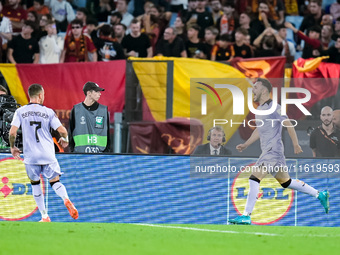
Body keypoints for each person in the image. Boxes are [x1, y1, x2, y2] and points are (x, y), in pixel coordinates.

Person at [229, 78, 329, 225]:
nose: (253, 90)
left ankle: (246, 215)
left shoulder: (274, 107)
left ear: (264, 90)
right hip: (273, 152)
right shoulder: (260, 109)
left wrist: (296, 144)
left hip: (272, 151)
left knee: (254, 178)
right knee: (286, 182)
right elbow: (259, 130)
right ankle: (319, 194)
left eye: (255, 87)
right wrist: (246, 144)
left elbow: (289, 124)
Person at [9, 83, 78, 222]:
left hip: (31, 156)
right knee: (55, 182)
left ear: (30, 95)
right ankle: (66, 199)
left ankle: (44, 216)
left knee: (35, 184)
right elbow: (63, 131)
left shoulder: (20, 111)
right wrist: (64, 140)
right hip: (48, 154)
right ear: (40, 95)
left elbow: (12, 132)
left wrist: (12, 147)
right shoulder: (48, 112)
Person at [69, 81, 110, 153]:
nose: (100, 94)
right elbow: (71, 133)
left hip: (100, 156)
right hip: (79, 155)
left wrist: (106, 154)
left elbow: (107, 134)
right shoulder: (76, 110)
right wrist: (72, 152)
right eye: (97, 91)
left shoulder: (103, 110)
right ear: (89, 93)